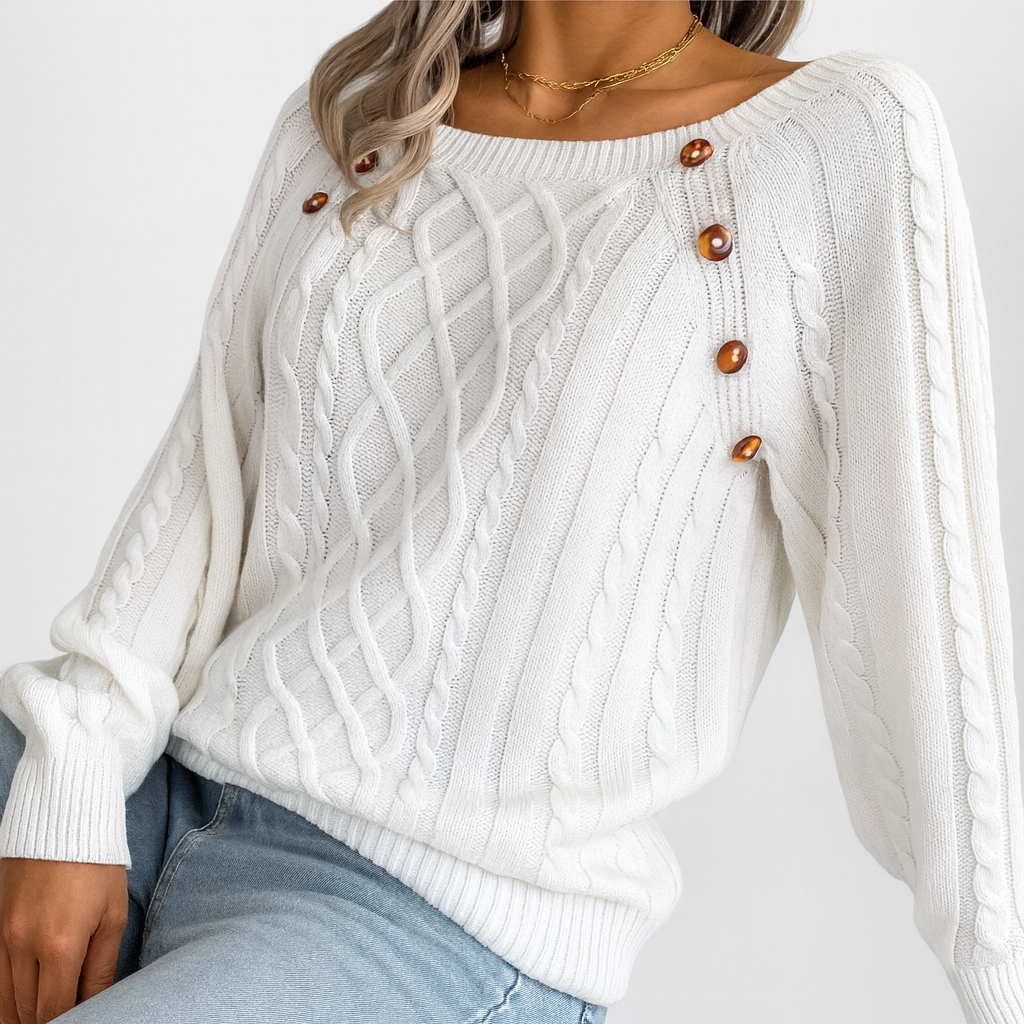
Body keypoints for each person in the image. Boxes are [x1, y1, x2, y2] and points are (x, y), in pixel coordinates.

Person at [0, 1, 1021, 1022]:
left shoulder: (830, 142)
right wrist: (70, 784)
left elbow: (933, 629)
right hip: (159, 783)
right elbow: (200, 495)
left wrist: (1000, 977)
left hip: (429, 921)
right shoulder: (357, 123)